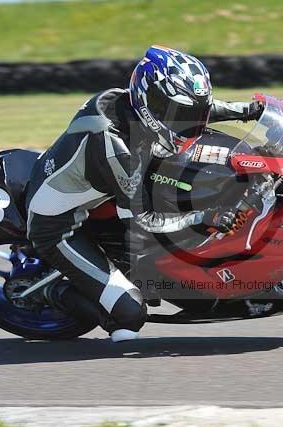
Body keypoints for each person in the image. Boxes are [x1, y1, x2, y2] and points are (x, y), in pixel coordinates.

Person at [23, 45, 263, 342]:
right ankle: (56, 292)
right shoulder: (116, 150)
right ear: (153, 104)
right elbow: (143, 221)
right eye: (181, 114)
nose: (190, 124)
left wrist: (253, 110)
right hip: (58, 226)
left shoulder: (133, 103)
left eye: (191, 113)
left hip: (101, 190)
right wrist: (205, 216)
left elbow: (197, 110)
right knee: (130, 316)